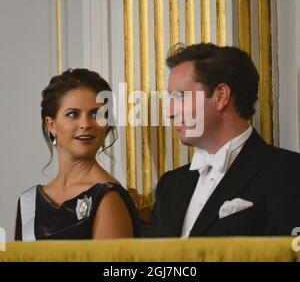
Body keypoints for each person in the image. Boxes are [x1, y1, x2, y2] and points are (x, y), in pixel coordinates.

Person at [149, 43, 300, 237]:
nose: (170, 112)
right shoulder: (170, 185)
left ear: (221, 96)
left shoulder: (288, 172)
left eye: (180, 97)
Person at [15, 68, 140, 240]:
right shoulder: (29, 204)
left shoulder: (108, 197)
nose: (85, 124)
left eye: (95, 114)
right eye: (73, 114)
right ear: (51, 125)